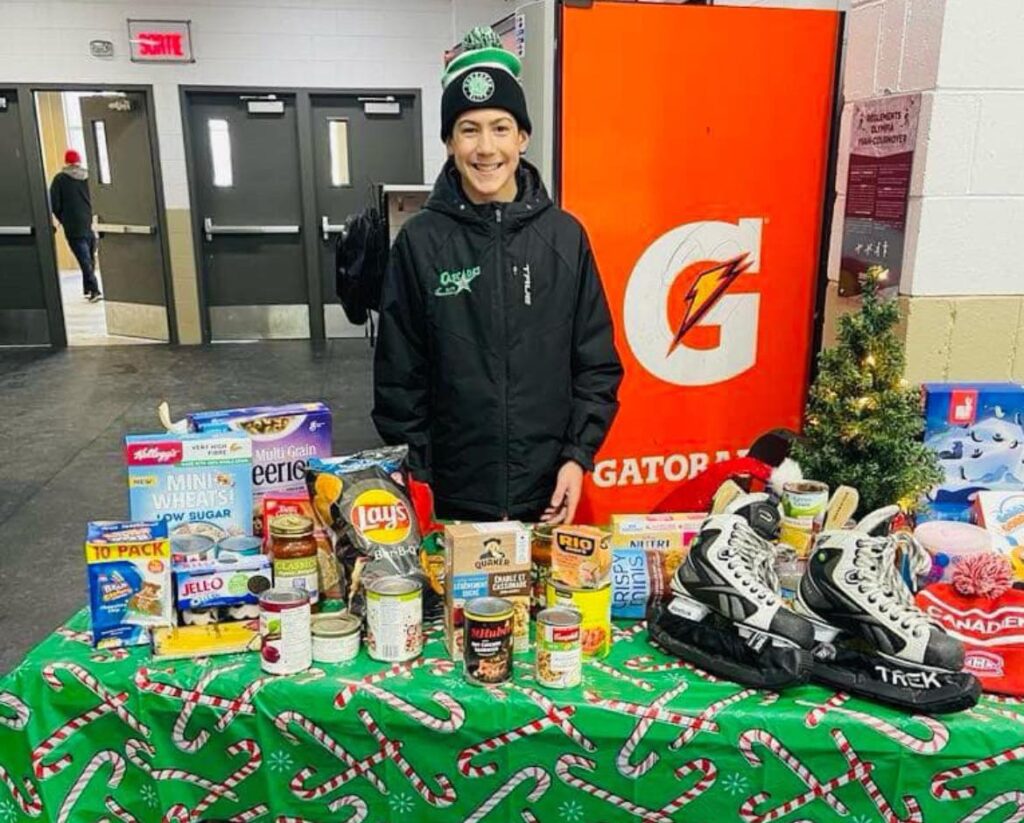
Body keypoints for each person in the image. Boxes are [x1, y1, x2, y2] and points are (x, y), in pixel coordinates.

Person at [373, 28, 623, 525]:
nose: (486, 148)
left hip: (548, 491)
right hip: (452, 495)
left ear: (523, 137)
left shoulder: (564, 237)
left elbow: (596, 365)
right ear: (449, 141)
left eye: (500, 127)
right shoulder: (421, 243)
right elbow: (399, 378)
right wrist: (419, 473)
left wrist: (578, 456)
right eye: (468, 129)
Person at [50, 149, 101, 302]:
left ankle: (94, 290)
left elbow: (54, 204)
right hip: (90, 223)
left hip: (73, 226)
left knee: (84, 259)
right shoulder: (89, 177)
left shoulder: (59, 179)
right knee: (89, 258)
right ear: (79, 160)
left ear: (66, 162)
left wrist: (63, 218)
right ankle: (89, 289)